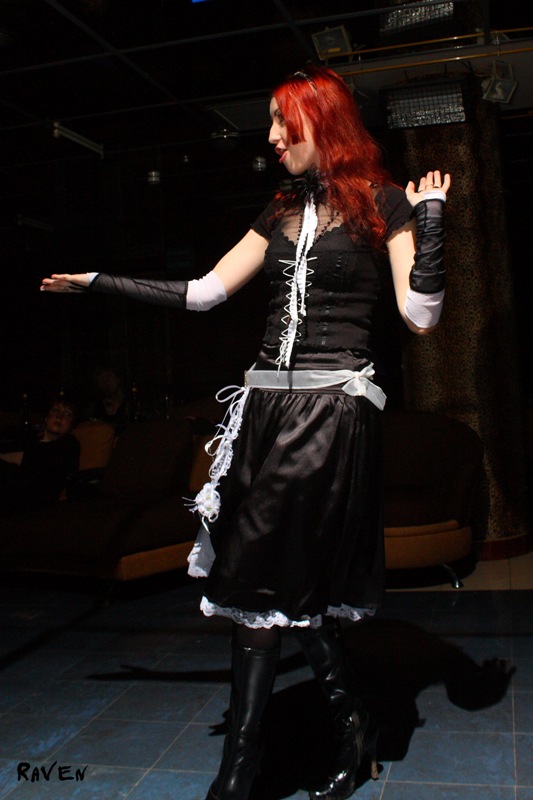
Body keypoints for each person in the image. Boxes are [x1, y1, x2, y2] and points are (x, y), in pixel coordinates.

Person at [41, 65, 450, 800]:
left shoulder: (385, 202)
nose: (270, 137)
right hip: (263, 415)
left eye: (281, 122)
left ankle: (238, 771)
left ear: (321, 122)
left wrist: (431, 221)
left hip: (330, 416)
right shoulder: (281, 208)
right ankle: (350, 722)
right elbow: (204, 293)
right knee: (288, 589)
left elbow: (419, 315)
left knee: (263, 582)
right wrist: (101, 281)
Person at [0, 397, 80, 513]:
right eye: (56, 410)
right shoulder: (30, 440)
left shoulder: (70, 444)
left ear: (72, 425)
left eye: (67, 414)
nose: (59, 416)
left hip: (35, 497)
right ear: (46, 418)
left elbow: (34, 458)